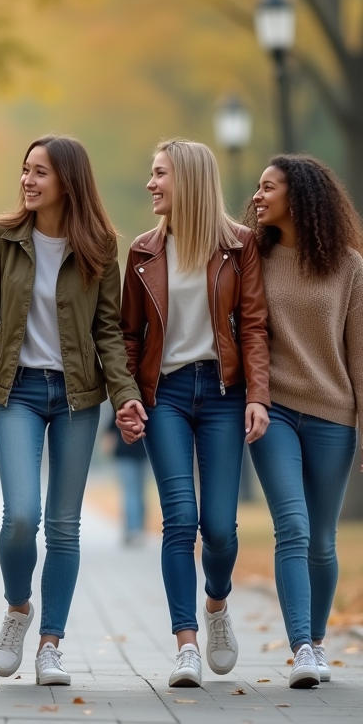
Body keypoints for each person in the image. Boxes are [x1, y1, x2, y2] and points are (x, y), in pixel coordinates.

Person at [0, 135, 145, 686]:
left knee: (64, 527)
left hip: (77, 397)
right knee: (22, 517)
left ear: (68, 181)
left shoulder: (99, 246)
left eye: (40, 172)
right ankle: (18, 608)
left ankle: (51, 645)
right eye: (25, 170)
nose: (28, 180)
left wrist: (126, 395)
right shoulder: (1, 237)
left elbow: (108, 330)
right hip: (17, 391)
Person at [117, 138, 270, 688]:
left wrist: (258, 395)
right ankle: (186, 645)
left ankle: (217, 604)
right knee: (180, 520)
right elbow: (128, 335)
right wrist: (126, 397)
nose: (151, 183)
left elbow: (253, 326)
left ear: (189, 180)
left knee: (221, 530)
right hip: (167, 396)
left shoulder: (239, 245)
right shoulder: (142, 251)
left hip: (224, 395)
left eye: (160, 174)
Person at [245, 154, 363, 689]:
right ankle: (301, 648)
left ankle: (318, 642)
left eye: (268, 187)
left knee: (322, 540)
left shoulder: (346, 265)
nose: (257, 196)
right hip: (273, 409)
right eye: (257, 188)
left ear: (299, 196)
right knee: (293, 527)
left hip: (333, 416)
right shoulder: (254, 258)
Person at [104, 419, 148, 547]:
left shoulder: (121, 407)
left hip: (124, 452)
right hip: (143, 452)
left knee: (130, 493)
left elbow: (111, 428)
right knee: (139, 493)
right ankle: (138, 529)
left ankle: (133, 530)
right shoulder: (148, 408)